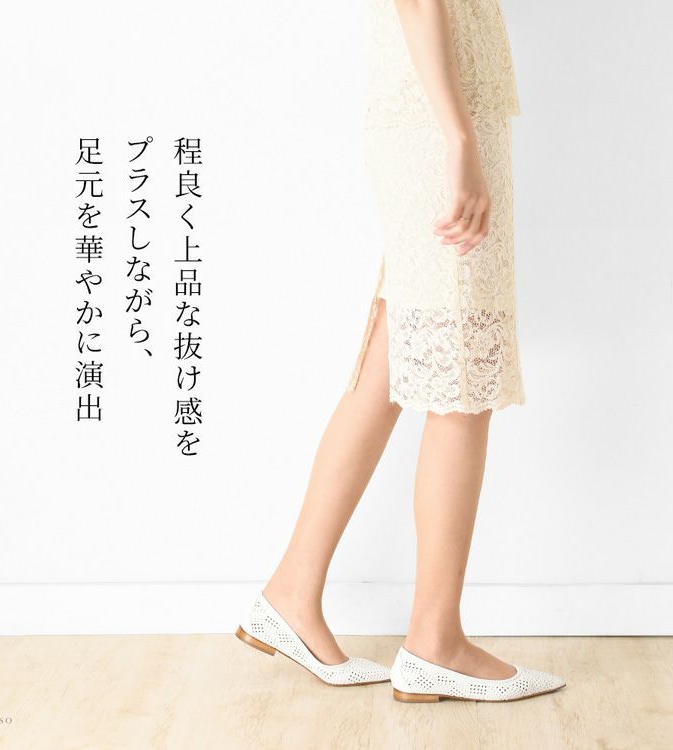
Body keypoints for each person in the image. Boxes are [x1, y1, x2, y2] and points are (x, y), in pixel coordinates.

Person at [236, 0, 566, 702]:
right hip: (440, 121)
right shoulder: (451, 131)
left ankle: (291, 592)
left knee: (398, 359)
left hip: (435, 111)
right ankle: (435, 643)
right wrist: (459, 138)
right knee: (461, 371)